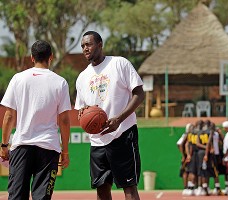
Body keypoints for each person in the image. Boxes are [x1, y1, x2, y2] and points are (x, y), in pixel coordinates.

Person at [75, 31, 145, 200]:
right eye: (83, 46)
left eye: (89, 44)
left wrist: (118, 119)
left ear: (100, 45)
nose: (85, 48)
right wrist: (84, 118)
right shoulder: (82, 77)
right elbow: (82, 111)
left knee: (129, 188)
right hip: (97, 141)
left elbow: (140, 94)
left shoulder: (119, 64)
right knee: (101, 190)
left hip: (122, 134)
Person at [0, 40, 71, 199]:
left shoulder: (18, 79)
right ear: (51, 57)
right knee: (42, 197)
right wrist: (65, 151)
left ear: (32, 58)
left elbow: (9, 115)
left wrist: (4, 145)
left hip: (22, 146)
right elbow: (65, 120)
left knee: (17, 196)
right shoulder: (60, 82)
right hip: (48, 147)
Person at [177, 123, 191, 195]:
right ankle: (185, 187)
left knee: (190, 172)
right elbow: (179, 144)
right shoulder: (185, 135)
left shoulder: (191, 135)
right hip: (186, 156)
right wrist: (183, 155)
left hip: (190, 156)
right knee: (185, 172)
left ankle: (190, 187)